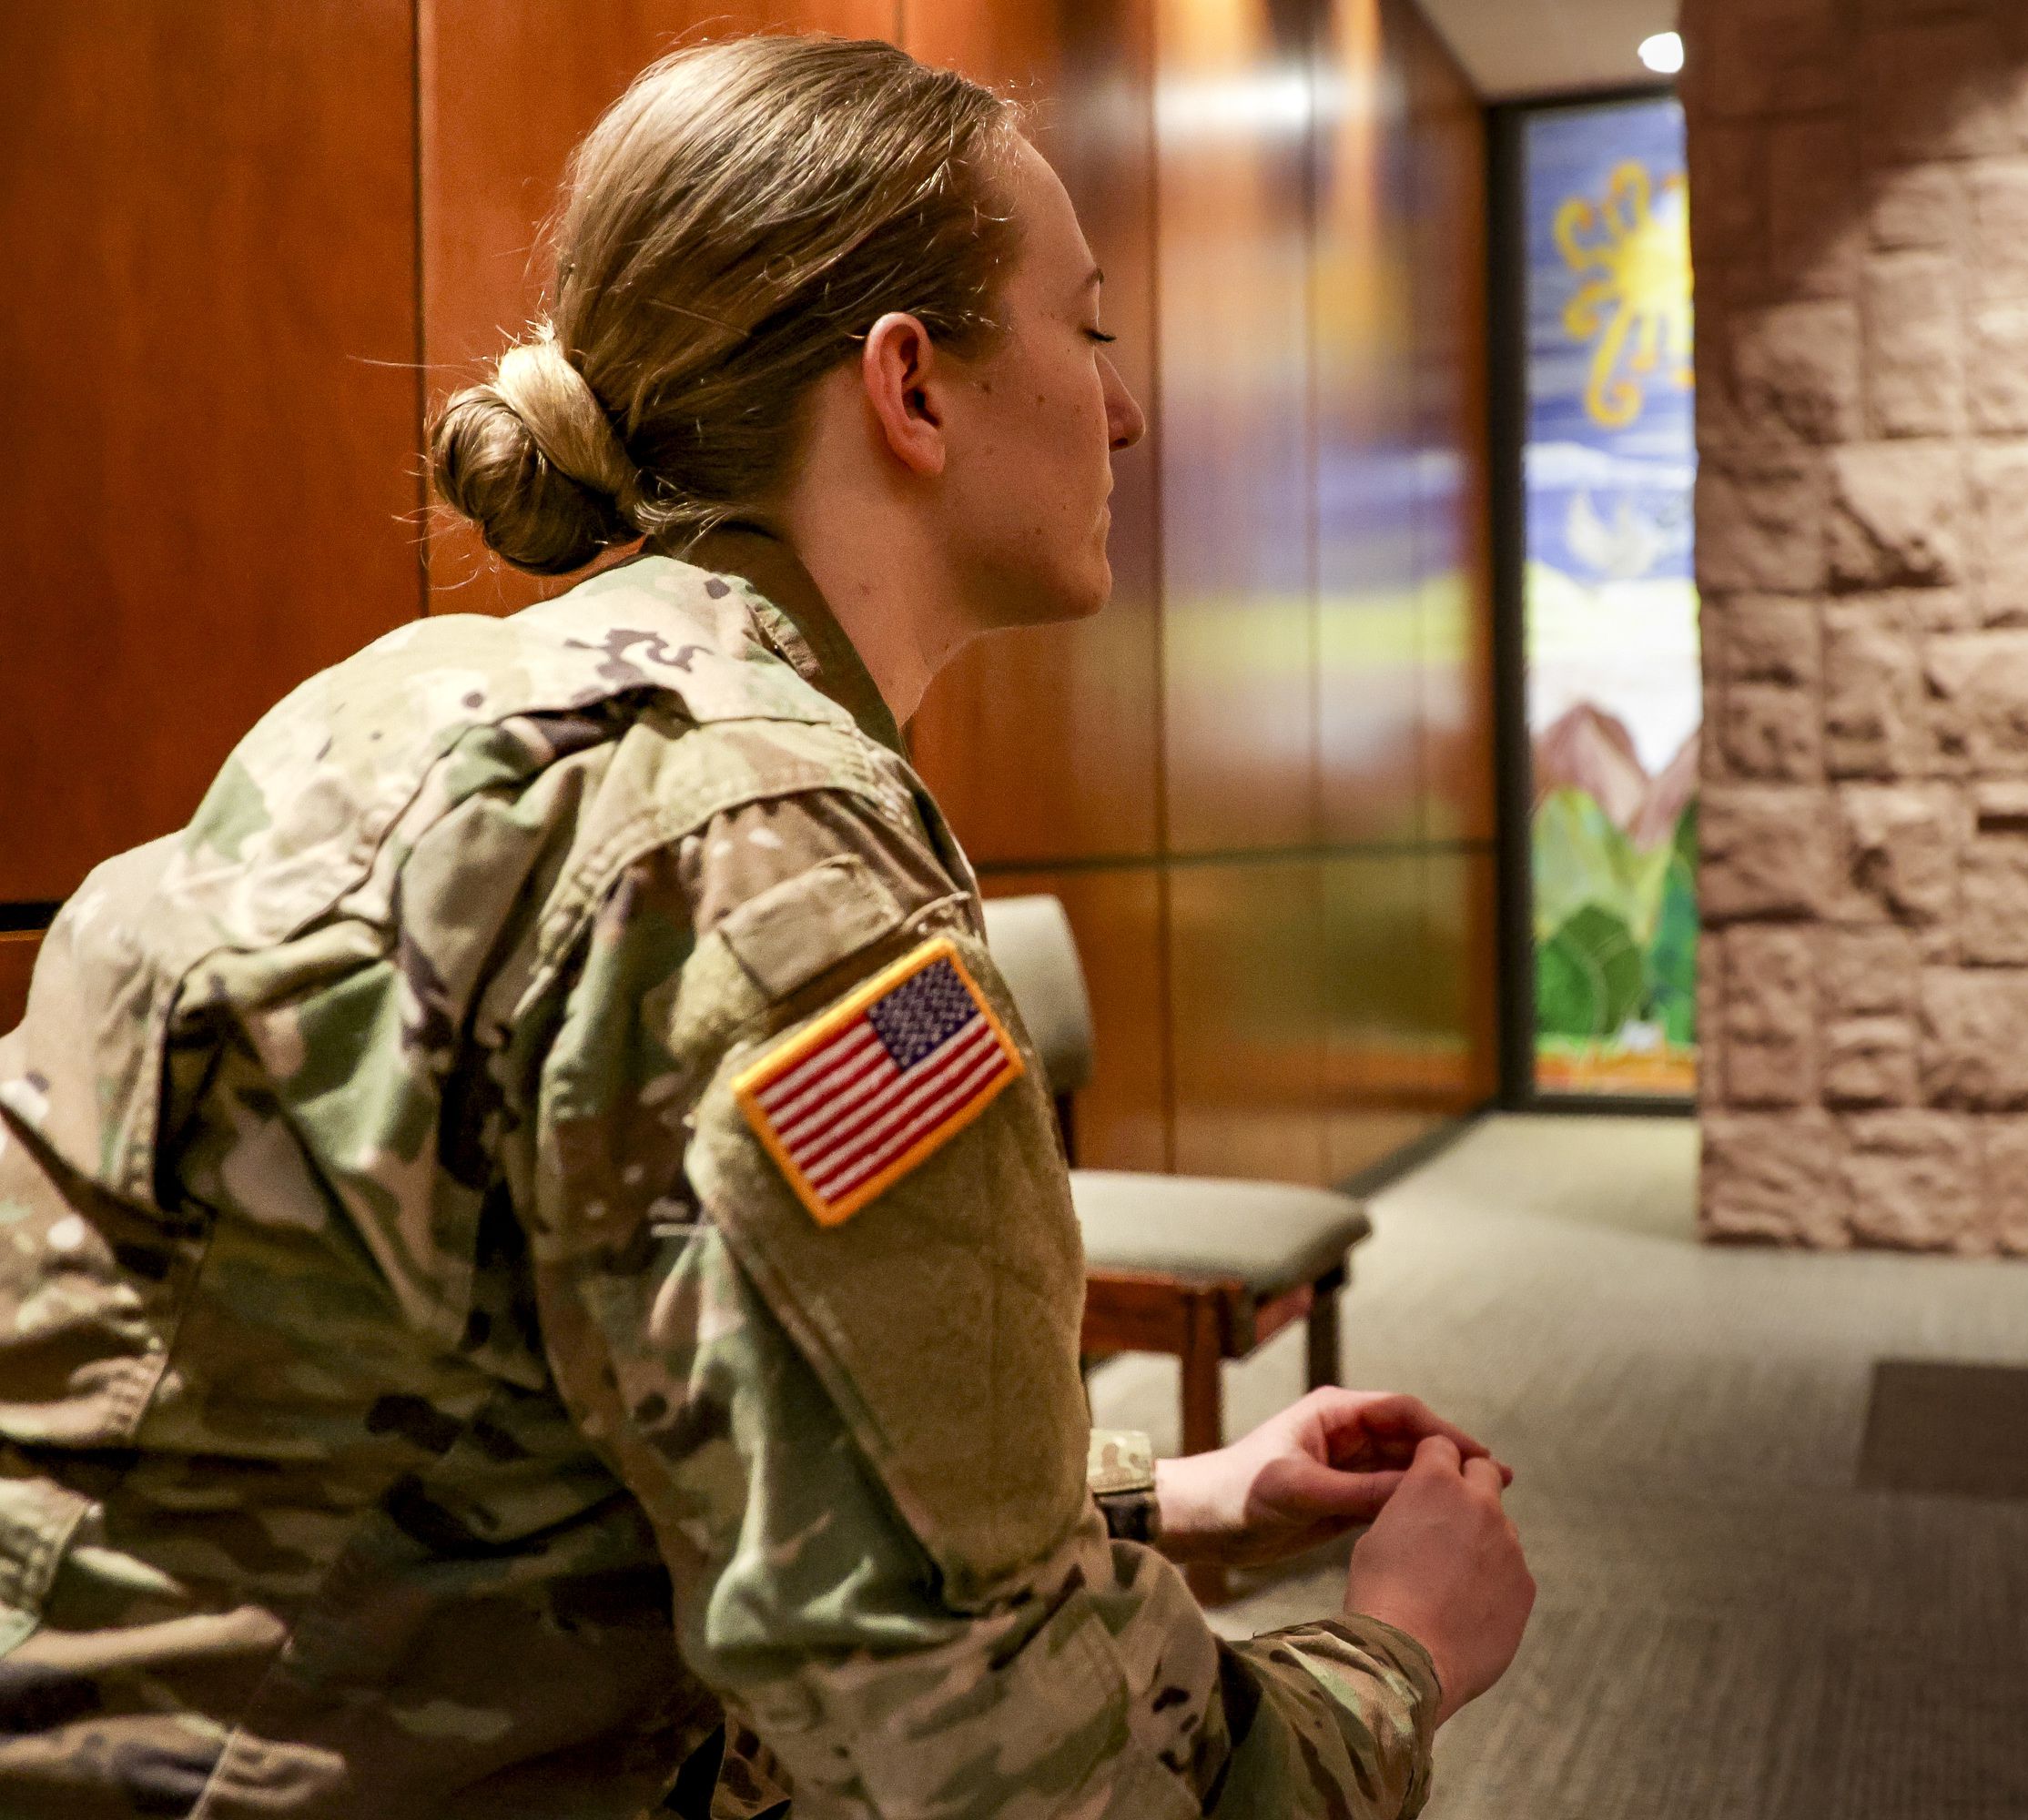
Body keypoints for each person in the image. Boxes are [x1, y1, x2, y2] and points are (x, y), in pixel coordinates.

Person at [0, 35, 1532, 1819]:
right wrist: (1399, 1657)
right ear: (914, 390)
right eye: (1088, 327)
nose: (1122, 408)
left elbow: (594, 1426)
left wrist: (1164, 1499)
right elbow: (997, 1770)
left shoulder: (426, 696)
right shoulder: (775, 863)